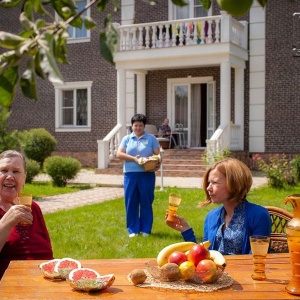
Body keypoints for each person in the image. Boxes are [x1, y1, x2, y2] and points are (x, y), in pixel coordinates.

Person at [166, 157, 271, 255]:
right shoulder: (211, 217)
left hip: (243, 273)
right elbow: (203, 256)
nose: (208, 188)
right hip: (212, 273)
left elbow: (257, 259)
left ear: (234, 184)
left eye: (214, 183)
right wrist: (186, 230)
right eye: (208, 183)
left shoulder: (259, 215)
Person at [0, 150, 53, 279]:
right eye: (4, 170)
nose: (10, 176)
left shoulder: (33, 207)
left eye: (16, 172)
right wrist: (6, 223)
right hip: (12, 284)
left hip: (46, 279)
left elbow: (46, 250)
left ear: (24, 179)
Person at [117, 114, 160, 238]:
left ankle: (146, 229)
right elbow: (119, 154)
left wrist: (157, 163)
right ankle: (133, 230)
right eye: (136, 125)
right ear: (132, 126)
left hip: (147, 174)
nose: (138, 127)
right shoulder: (127, 139)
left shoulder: (151, 139)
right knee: (131, 202)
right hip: (130, 175)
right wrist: (133, 159)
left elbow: (158, 155)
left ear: (144, 126)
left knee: (146, 201)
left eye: (140, 125)